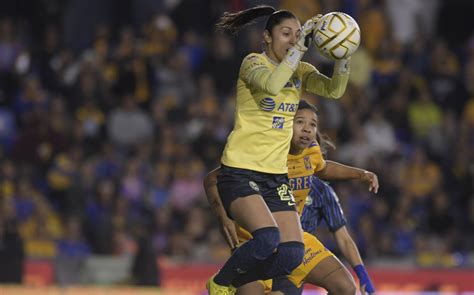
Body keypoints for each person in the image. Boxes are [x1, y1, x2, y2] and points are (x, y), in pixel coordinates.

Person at [206, 4, 351, 294]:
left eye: (298, 35)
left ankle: (236, 281)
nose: (293, 40)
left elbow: (334, 90)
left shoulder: (299, 69)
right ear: (267, 37)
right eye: (286, 34)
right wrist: (300, 47)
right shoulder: (253, 63)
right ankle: (219, 283)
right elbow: (272, 86)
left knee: (292, 254)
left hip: (274, 177)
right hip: (240, 170)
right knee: (268, 238)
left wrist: (343, 54)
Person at [204, 100, 377, 294]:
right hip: (255, 243)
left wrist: (361, 174)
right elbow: (212, 179)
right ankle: (228, 280)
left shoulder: (311, 152)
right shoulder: (265, 153)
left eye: (313, 124)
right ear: (286, 125)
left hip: (295, 240)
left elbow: (324, 168)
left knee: (346, 288)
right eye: (300, 122)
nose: (307, 129)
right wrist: (224, 218)